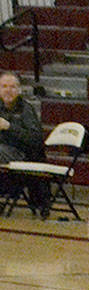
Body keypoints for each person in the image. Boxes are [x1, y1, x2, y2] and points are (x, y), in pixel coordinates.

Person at [0, 70, 51, 217]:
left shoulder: (26, 109)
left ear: (19, 90)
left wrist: (9, 127)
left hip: (21, 153)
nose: (8, 90)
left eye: (12, 87)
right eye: (4, 86)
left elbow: (35, 140)